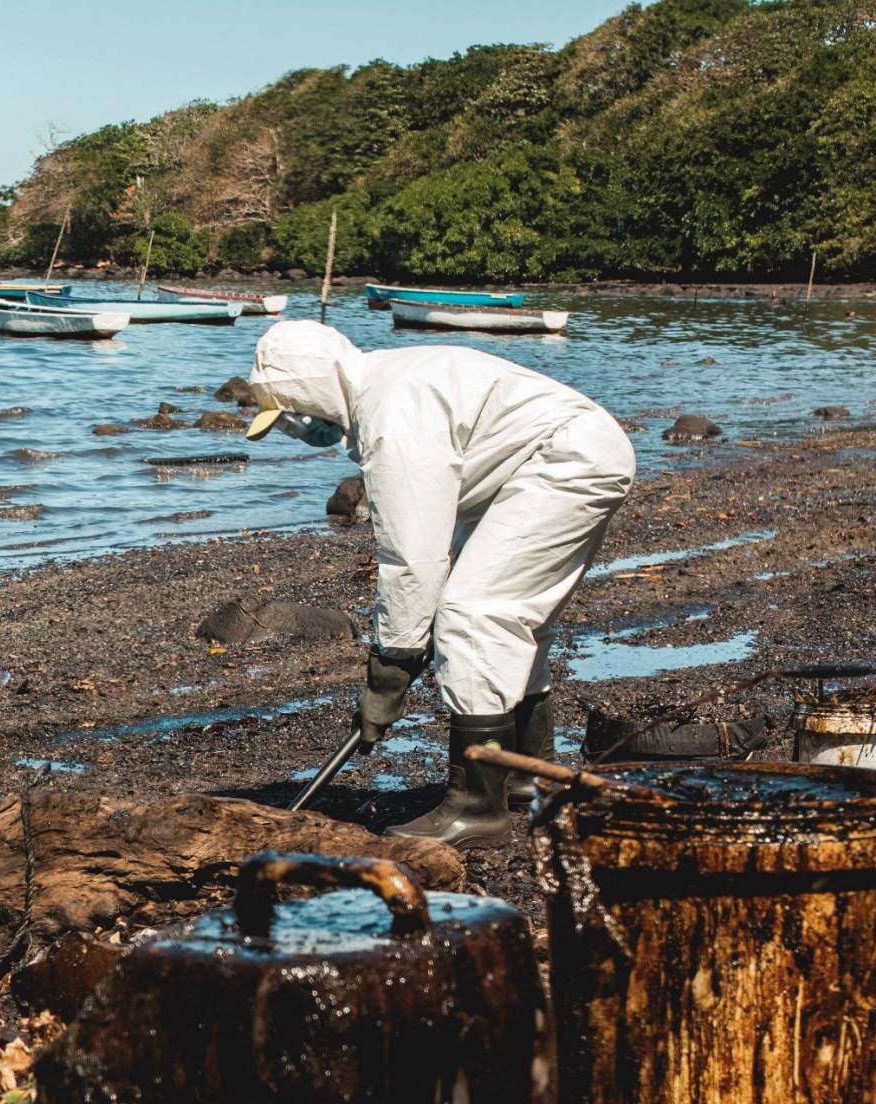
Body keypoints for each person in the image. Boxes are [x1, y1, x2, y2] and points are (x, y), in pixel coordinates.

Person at [245, 320, 635, 848]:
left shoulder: (391, 416)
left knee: (475, 613)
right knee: (513, 618)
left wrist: (391, 669)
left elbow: (410, 557)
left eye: (294, 413)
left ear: (313, 385)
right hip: (550, 459)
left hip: (563, 462)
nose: (297, 429)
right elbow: (435, 534)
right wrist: (408, 641)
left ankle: (477, 808)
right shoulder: (388, 384)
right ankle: (526, 774)